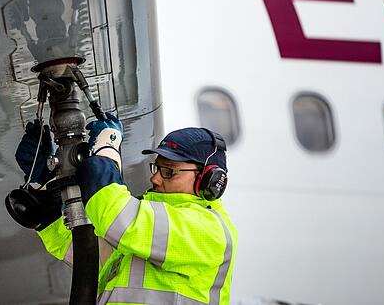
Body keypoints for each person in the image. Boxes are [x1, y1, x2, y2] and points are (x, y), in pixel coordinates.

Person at [14, 114, 238, 305]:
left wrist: (106, 150)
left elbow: (119, 219)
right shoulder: (148, 237)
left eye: (169, 172)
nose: (155, 177)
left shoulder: (210, 231)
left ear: (208, 180)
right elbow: (87, 253)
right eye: (157, 168)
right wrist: (47, 195)